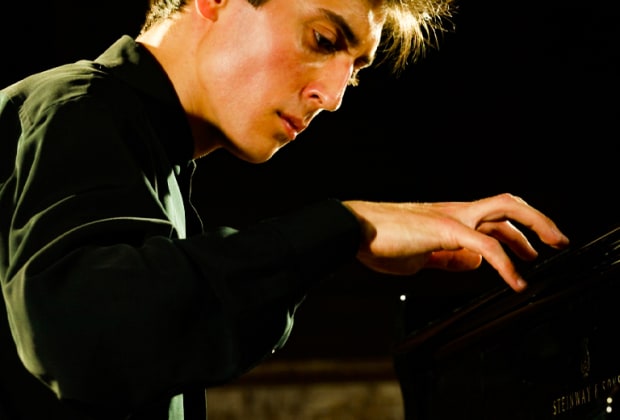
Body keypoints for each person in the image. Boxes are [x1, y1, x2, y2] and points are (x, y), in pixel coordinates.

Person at [0, 0, 570, 419]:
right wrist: (345, 226)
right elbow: (85, 336)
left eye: (355, 70)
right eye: (322, 39)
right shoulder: (78, 107)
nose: (334, 97)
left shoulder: (147, 161)